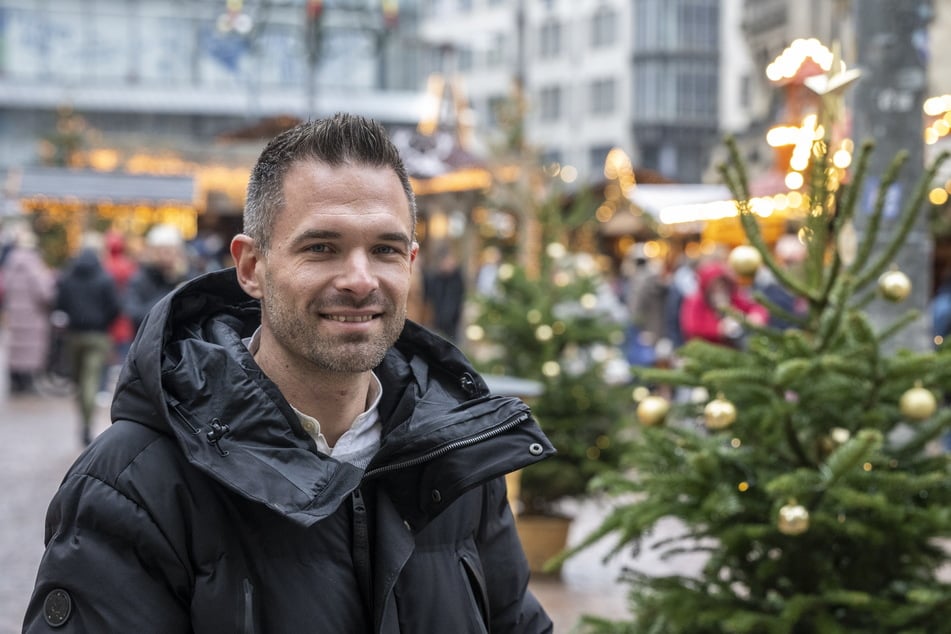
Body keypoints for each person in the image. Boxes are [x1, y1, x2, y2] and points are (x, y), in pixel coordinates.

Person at [24, 114, 555, 633]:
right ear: (252, 267)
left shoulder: (454, 459)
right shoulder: (134, 482)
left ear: (410, 263)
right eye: (322, 248)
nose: (359, 279)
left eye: (385, 250)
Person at [54, 233, 121, 446]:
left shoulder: (68, 276)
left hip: (74, 335)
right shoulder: (104, 277)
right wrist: (103, 323)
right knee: (90, 380)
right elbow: (115, 307)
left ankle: (84, 421)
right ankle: (86, 422)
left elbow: (60, 303)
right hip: (97, 335)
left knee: (79, 382)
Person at [2, 225, 55, 395]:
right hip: (33, 315)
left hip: (16, 315)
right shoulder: (33, 263)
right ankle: (27, 382)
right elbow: (44, 291)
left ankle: (15, 381)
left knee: (16, 347)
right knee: (30, 349)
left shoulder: (10, 262)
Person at [123, 222, 192, 335]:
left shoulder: (187, 276)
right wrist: (172, 289)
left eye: (173, 250)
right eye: (163, 251)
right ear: (151, 252)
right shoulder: (140, 278)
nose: (169, 255)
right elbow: (134, 315)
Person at [680, 258, 768, 348]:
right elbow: (692, 327)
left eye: (721, 284)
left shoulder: (733, 296)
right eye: (714, 285)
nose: (718, 288)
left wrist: (756, 316)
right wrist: (718, 329)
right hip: (707, 350)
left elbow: (755, 307)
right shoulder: (695, 301)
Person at [423, 246, 466, 341]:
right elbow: (429, 297)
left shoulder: (457, 279)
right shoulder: (435, 278)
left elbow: (458, 299)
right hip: (437, 321)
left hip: (452, 322)